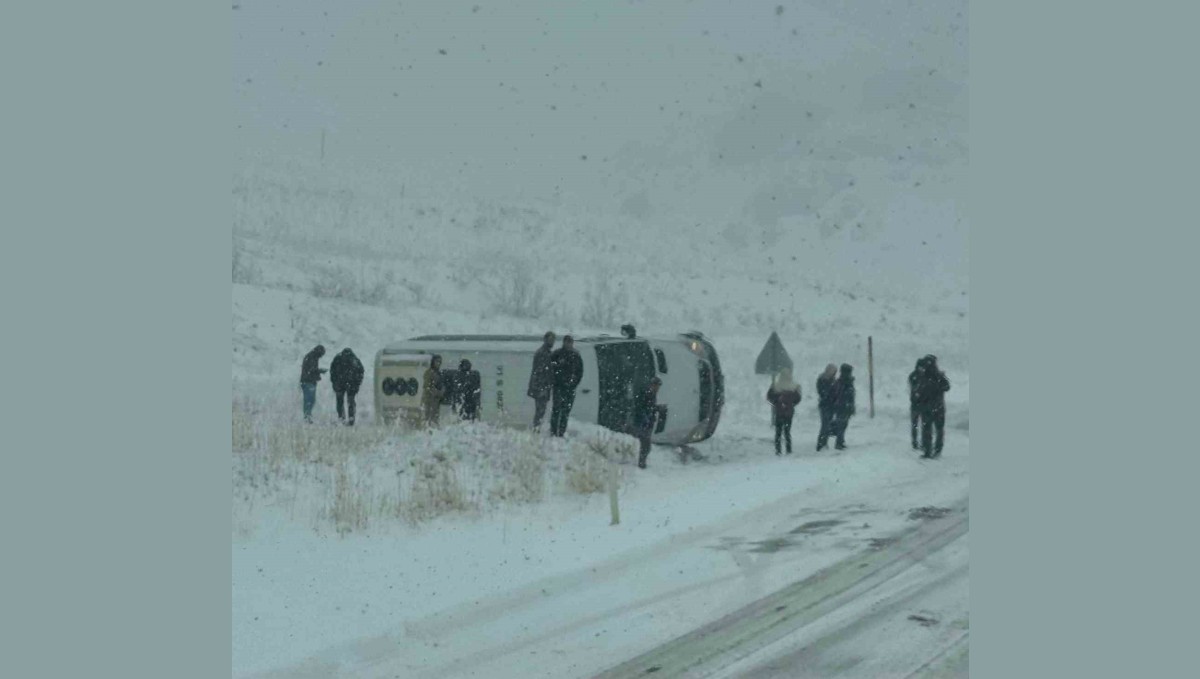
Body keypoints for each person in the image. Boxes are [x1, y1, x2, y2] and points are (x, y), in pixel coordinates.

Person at [913, 355, 951, 458]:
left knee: (927, 430)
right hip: (938, 408)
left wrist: (919, 401)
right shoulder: (938, 377)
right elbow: (947, 387)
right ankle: (937, 449)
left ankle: (928, 451)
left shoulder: (923, 378)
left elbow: (918, 393)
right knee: (939, 429)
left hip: (927, 408)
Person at [549, 335, 584, 437]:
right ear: (563, 342)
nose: (568, 344)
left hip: (570, 388)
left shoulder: (576, 356)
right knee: (556, 409)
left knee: (566, 411)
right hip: (558, 387)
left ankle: (561, 432)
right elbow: (551, 368)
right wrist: (555, 381)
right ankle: (553, 431)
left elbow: (580, 372)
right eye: (567, 342)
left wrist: (574, 384)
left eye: (570, 342)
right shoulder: (557, 354)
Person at [767, 367, 802, 455]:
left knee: (778, 432)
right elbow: (798, 398)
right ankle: (788, 449)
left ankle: (778, 450)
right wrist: (791, 404)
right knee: (787, 431)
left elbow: (769, 397)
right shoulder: (793, 386)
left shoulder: (776, 386)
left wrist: (777, 402)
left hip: (779, 411)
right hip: (789, 412)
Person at [527, 331, 556, 430]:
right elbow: (539, 371)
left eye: (553, 340)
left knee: (541, 410)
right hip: (541, 386)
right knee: (540, 410)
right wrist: (542, 387)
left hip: (543, 386)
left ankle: (537, 427)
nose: (552, 342)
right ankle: (536, 428)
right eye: (550, 340)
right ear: (545, 340)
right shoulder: (542, 353)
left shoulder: (547, 352)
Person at [329, 347, 365, 426]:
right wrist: (357, 383)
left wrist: (334, 382)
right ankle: (351, 419)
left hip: (340, 384)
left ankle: (341, 418)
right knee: (351, 402)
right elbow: (361, 372)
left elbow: (332, 372)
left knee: (339, 402)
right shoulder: (355, 360)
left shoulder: (337, 359)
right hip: (351, 385)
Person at [633, 377, 663, 468]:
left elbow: (650, 407)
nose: (657, 388)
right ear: (652, 385)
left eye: (658, 386)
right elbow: (641, 408)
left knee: (646, 445)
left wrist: (657, 408)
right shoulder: (647, 394)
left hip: (648, 422)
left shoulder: (652, 394)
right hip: (644, 423)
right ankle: (641, 464)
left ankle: (642, 462)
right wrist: (645, 418)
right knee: (645, 445)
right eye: (656, 386)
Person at [830, 363, 856, 450]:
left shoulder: (841, 382)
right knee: (842, 425)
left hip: (843, 406)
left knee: (843, 425)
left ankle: (840, 441)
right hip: (843, 406)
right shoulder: (843, 382)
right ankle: (839, 442)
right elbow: (842, 395)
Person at [299, 345, 327, 423]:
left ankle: (307, 416)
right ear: (319, 352)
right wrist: (320, 371)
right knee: (309, 399)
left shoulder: (312, 356)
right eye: (321, 354)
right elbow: (311, 370)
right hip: (308, 381)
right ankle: (307, 417)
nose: (321, 356)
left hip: (308, 381)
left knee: (310, 400)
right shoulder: (312, 357)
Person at [815, 364, 838, 451]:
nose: (834, 373)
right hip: (825, 405)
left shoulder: (833, 380)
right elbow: (823, 392)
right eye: (833, 371)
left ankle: (824, 443)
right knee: (825, 425)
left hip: (831, 405)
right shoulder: (822, 379)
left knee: (827, 425)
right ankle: (821, 444)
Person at [422, 354, 445, 428]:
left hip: (435, 401)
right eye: (437, 361)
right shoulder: (429, 373)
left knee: (435, 419)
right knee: (429, 420)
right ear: (433, 362)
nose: (438, 363)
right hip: (429, 400)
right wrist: (439, 392)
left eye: (440, 362)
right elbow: (427, 387)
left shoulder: (437, 372)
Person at [908, 358, 925, 450]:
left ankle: (922, 442)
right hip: (915, 404)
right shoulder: (914, 376)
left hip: (922, 404)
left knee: (923, 425)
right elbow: (914, 388)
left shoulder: (916, 376)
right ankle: (915, 442)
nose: (922, 369)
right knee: (915, 424)